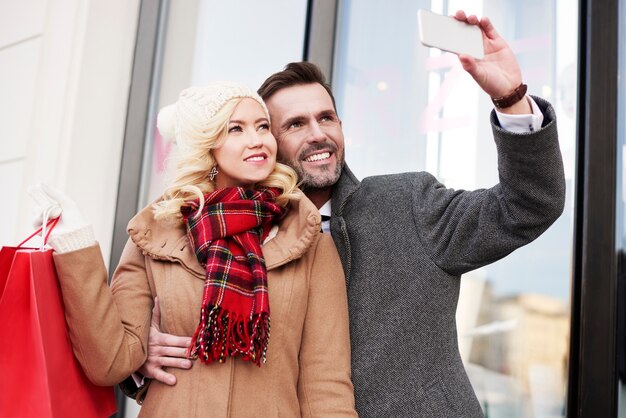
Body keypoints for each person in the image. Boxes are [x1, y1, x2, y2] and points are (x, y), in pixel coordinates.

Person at [134, 11, 566, 417]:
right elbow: (194, 351)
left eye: (327, 118)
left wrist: (510, 98)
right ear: (267, 146)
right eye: (295, 124)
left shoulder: (410, 203)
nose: (319, 133)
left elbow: (528, 204)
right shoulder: (231, 237)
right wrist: (141, 356)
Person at [32, 83, 358, 417]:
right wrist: (77, 244)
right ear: (207, 144)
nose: (257, 139)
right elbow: (110, 362)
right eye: (236, 129)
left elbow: (326, 386)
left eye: (262, 126)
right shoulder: (155, 236)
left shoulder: (310, 242)